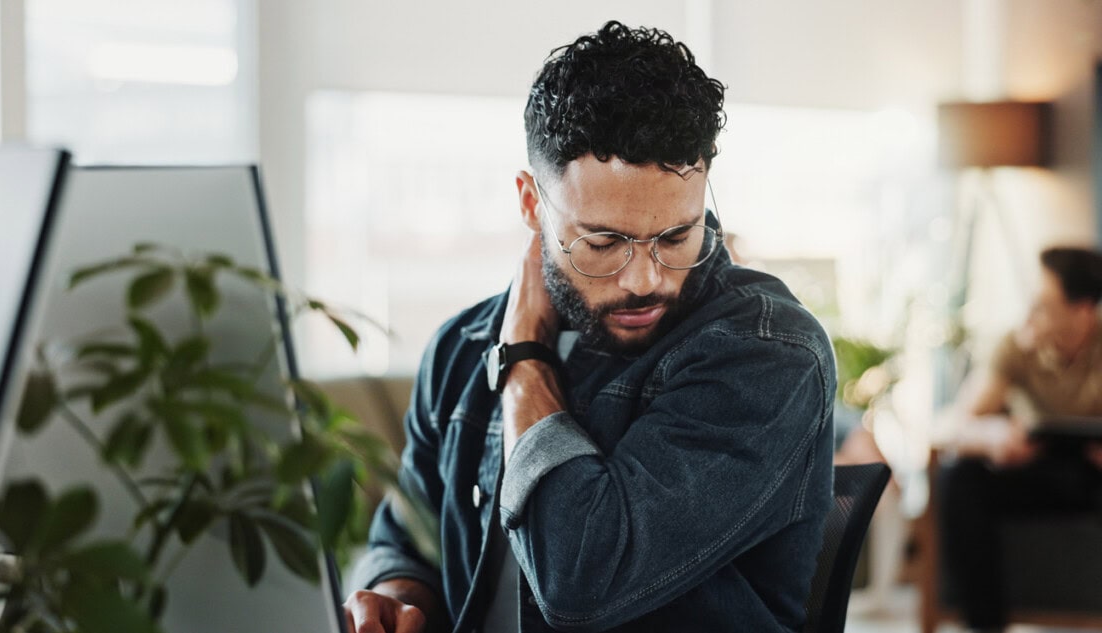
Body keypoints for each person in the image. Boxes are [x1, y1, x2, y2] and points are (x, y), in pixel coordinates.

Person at [344, 21, 835, 633]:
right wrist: (396, 594)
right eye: (603, 242)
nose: (644, 279)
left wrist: (524, 359)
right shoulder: (461, 347)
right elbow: (407, 532)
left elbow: (582, 582)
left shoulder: (767, 353)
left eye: (676, 236)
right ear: (530, 204)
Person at [940, 246, 1102, 633]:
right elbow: (956, 424)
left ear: (1082, 311)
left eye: (1044, 305)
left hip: (1094, 474)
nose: (1030, 314)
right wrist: (994, 437)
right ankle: (985, 625)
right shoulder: (1017, 344)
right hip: (1037, 466)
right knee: (960, 477)